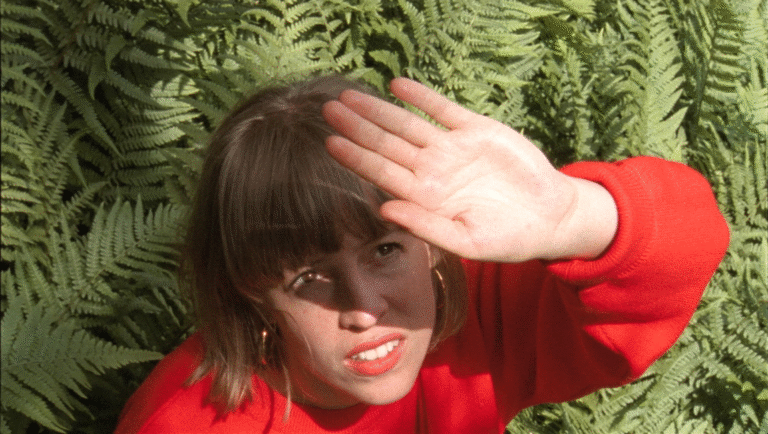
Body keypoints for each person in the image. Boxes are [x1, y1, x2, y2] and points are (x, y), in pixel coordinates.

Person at [115, 75, 729, 433]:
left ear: (431, 241)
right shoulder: (189, 422)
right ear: (250, 286)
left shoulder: (466, 314)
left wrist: (571, 217)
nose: (367, 308)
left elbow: (685, 247)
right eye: (310, 277)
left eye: (384, 250)